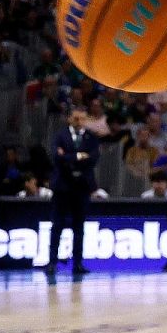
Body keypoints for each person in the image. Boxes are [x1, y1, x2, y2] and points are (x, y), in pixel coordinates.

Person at [49, 107, 100, 276]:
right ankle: (52, 263)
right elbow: (57, 158)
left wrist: (69, 156)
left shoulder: (91, 137)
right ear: (70, 118)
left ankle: (78, 263)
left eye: (82, 118)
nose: (79, 121)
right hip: (62, 186)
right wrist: (79, 156)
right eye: (76, 118)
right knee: (57, 225)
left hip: (82, 187)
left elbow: (93, 159)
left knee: (79, 227)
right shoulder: (60, 136)